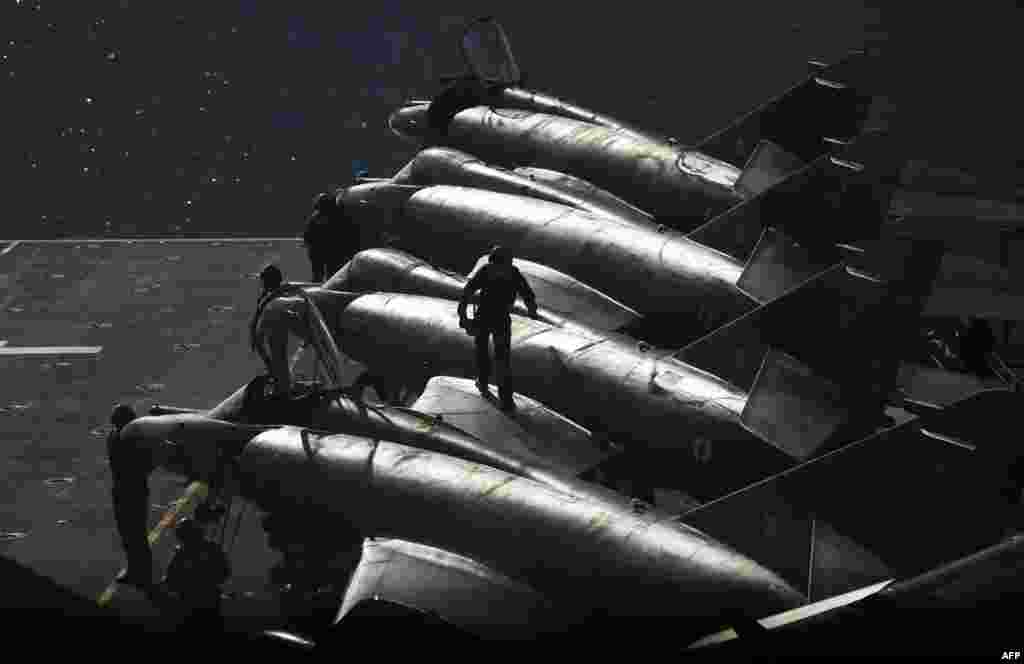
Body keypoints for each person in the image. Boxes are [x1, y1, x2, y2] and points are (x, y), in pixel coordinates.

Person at [457, 246, 538, 412]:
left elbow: (468, 291)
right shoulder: (513, 273)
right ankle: (506, 400)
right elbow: (527, 294)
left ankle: (484, 382)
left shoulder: (487, 270)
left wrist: (463, 315)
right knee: (502, 358)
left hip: (485, 316)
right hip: (500, 318)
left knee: (482, 351)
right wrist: (532, 310)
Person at [106, 403, 153, 588]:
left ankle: (140, 572)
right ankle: (137, 569)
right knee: (128, 532)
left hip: (132, 490)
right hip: (124, 488)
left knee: (135, 533)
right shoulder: (120, 437)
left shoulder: (127, 439)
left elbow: (148, 463)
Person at [163, 517, 231, 633]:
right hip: (208, 601)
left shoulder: (182, 554)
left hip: (191, 603)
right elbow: (225, 572)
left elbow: (170, 580)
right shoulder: (212, 548)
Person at [303, 192, 359, 283]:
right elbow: (308, 235)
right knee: (322, 275)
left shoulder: (318, 218)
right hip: (323, 252)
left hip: (329, 253)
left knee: (328, 275)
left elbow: (308, 235)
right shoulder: (336, 217)